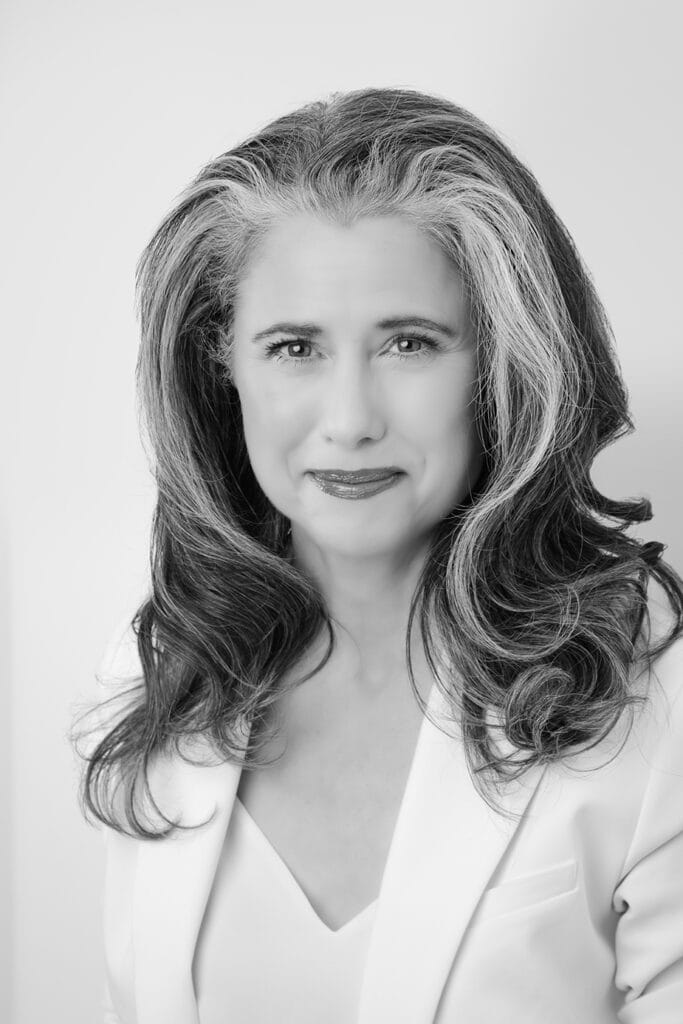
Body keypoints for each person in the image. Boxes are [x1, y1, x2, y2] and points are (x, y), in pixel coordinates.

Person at [79, 86, 683, 1024]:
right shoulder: (159, 668)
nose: (351, 421)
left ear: (498, 361)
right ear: (220, 362)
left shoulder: (645, 680)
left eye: (409, 342)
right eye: (293, 347)